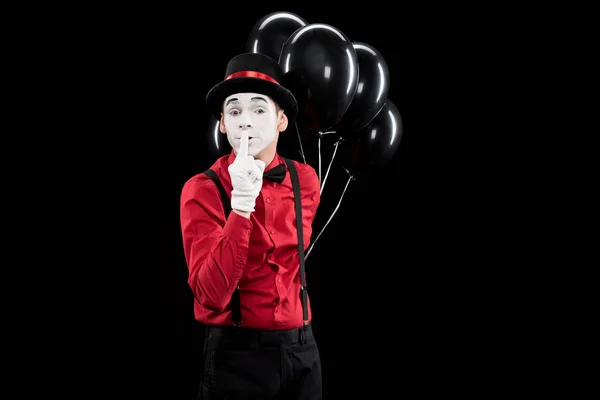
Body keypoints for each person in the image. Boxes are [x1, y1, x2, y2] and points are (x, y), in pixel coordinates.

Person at [180, 52, 322, 399]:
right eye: (234, 111)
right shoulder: (201, 189)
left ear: (281, 120)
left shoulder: (305, 181)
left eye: (259, 109)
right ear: (223, 125)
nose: (245, 121)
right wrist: (241, 207)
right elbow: (211, 295)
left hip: (303, 351)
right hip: (237, 359)